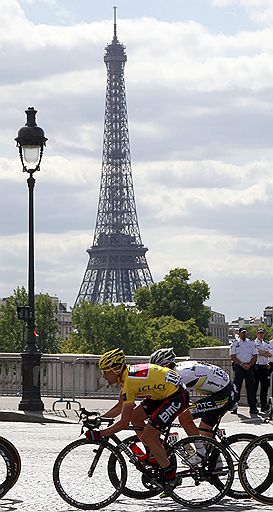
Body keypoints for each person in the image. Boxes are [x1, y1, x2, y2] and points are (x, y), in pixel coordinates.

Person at [91, 347, 189, 489]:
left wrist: (100, 434)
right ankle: (152, 452)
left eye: (105, 372)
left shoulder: (130, 382)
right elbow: (120, 407)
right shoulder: (126, 378)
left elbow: (123, 423)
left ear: (116, 369)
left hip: (176, 396)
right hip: (161, 394)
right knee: (136, 418)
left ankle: (171, 476)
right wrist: (98, 418)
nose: (103, 376)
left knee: (149, 435)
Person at [149, 348, 237, 447]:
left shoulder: (178, 375)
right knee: (205, 431)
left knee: (184, 417)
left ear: (167, 365)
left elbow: (169, 399)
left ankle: (200, 451)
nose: (156, 373)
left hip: (223, 395)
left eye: (157, 369)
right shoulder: (179, 368)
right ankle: (214, 459)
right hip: (225, 391)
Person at [230, 327, 258, 418]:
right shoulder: (235, 344)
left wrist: (249, 365)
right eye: (242, 333)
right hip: (239, 367)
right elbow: (233, 356)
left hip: (249, 367)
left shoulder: (251, 343)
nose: (244, 334)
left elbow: (255, 355)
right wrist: (242, 364)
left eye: (245, 333)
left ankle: (253, 407)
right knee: (236, 387)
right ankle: (234, 407)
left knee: (251, 388)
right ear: (239, 333)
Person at [254, 328, 272, 412]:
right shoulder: (254, 343)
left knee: (264, 387)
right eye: (259, 333)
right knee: (254, 387)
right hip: (256, 367)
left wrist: (263, 353)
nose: (261, 335)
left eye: (262, 333)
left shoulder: (266, 344)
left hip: (265, 367)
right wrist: (264, 353)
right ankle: (253, 405)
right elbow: (257, 352)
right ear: (257, 334)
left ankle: (263, 405)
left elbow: (270, 354)